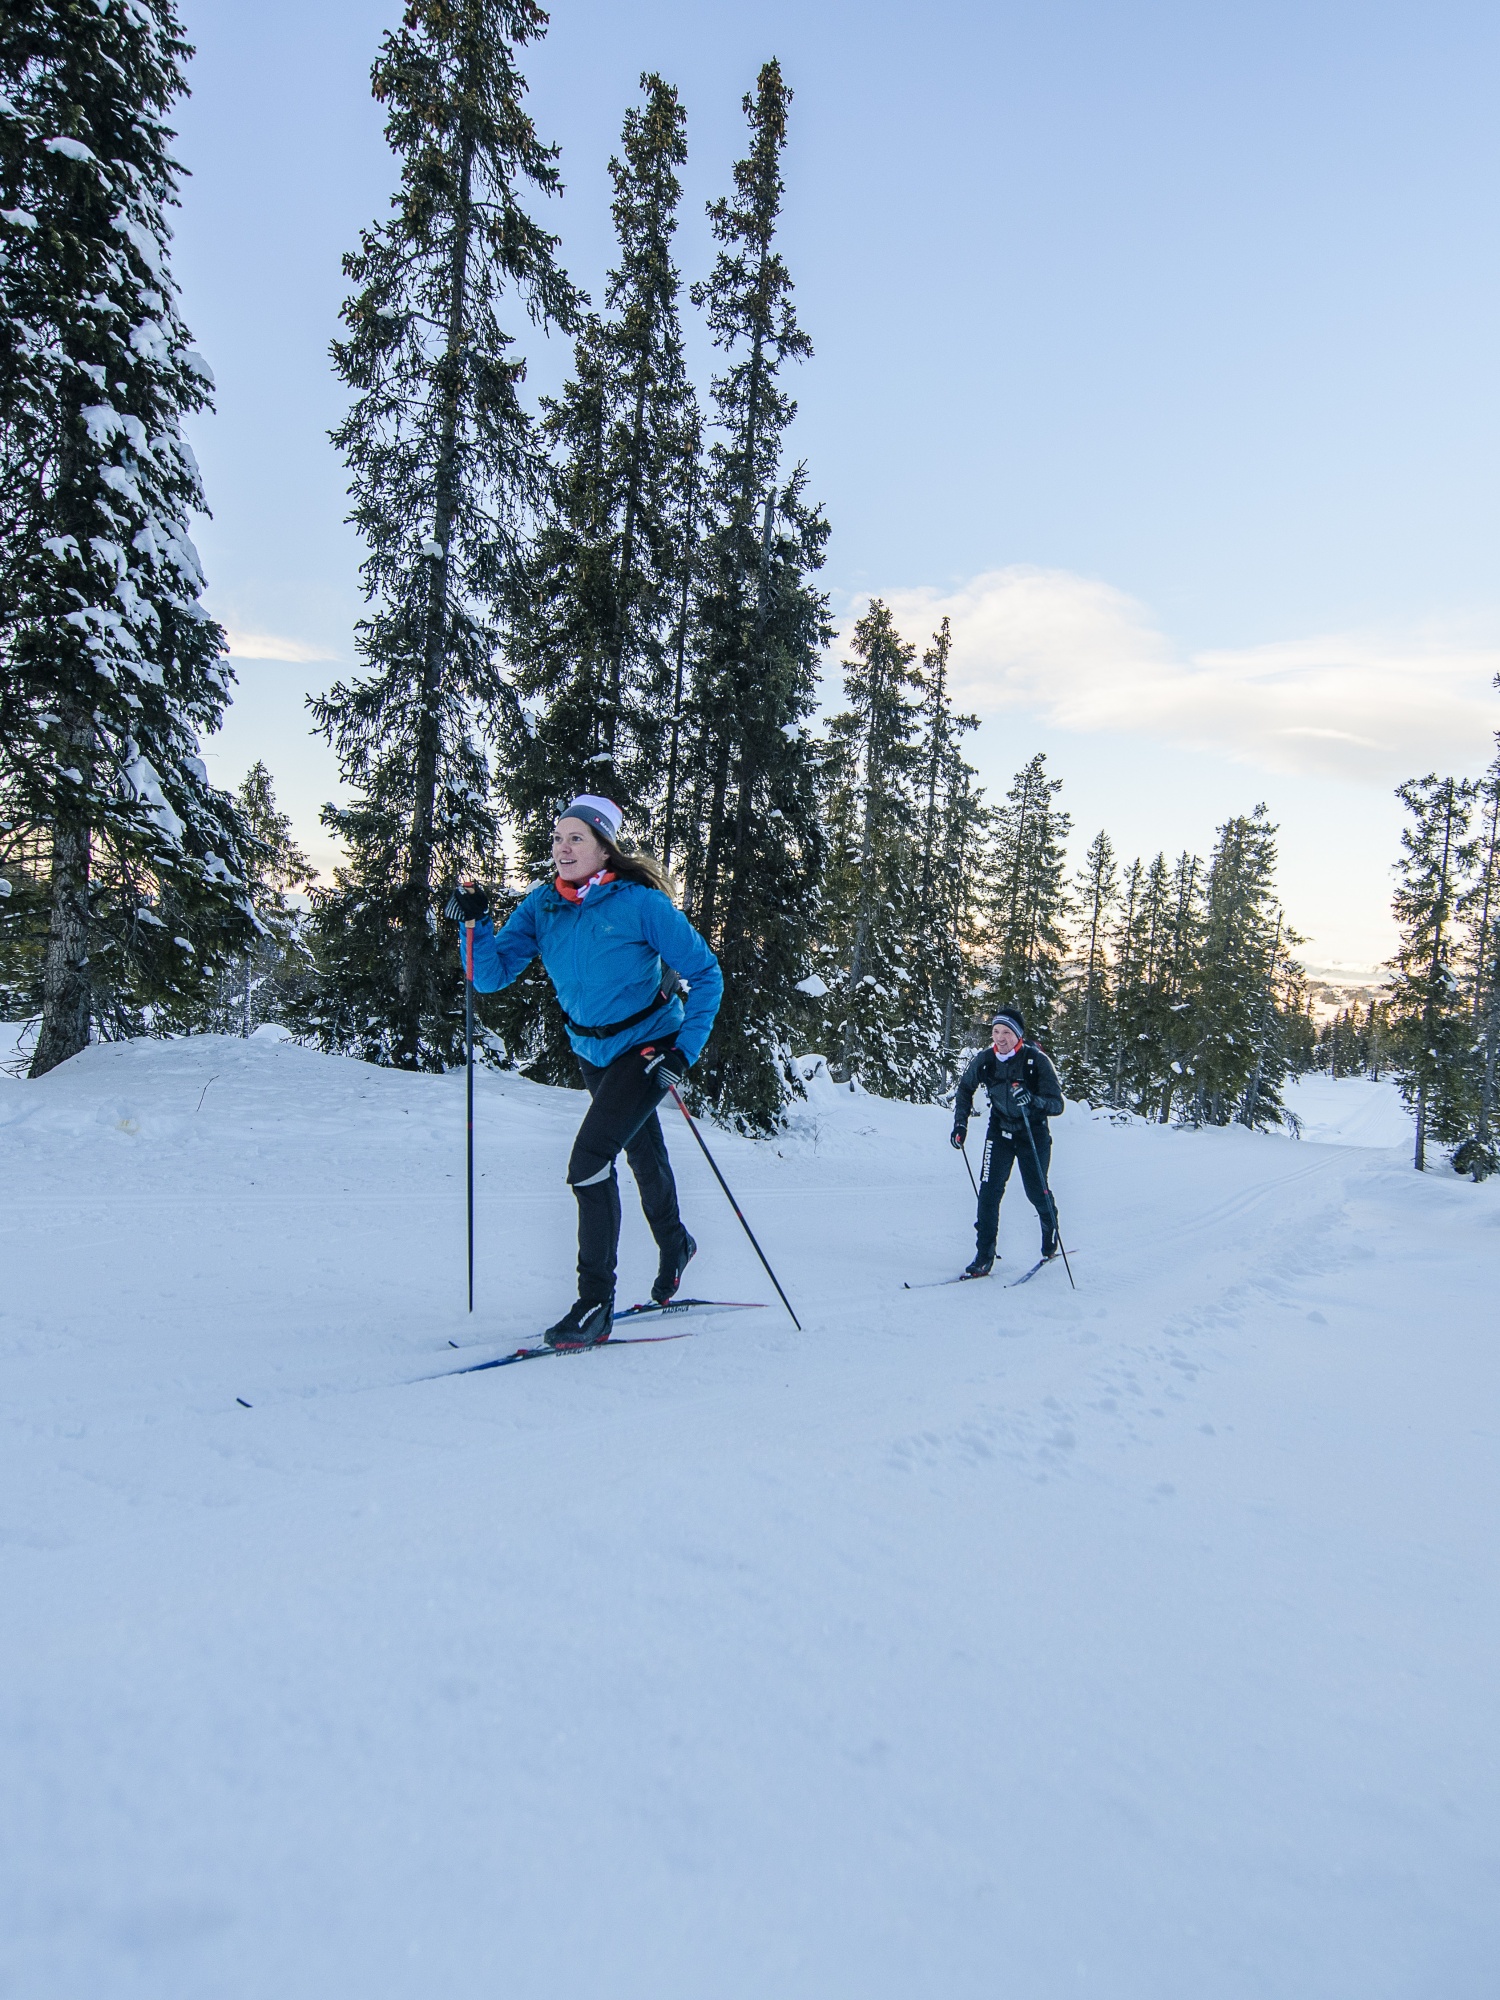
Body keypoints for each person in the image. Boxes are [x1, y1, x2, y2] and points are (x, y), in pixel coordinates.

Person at [445, 795, 723, 1349]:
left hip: (648, 1046)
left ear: (604, 848)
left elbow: (706, 974)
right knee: (642, 1150)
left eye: (576, 838)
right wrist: (475, 922)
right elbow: (490, 977)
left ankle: (594, 1301)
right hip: (592, 1052)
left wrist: (682, 1052)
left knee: (588, 1164)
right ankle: (676, 1244)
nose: (563, 848)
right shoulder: (543, 906)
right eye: (556, 838)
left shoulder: (642, 905)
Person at [950, 1008, 1065, 1276]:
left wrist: (1033, 1100)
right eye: (996, 1031)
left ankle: (1050, 1230)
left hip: (1032, 1133)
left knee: (1036, 1191)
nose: (1000, 1038)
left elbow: (1057, 1105)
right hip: (999, 1130)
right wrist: (960, 1124)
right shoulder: (986, 1060)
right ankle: (983, 1256)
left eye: (1007, 1033)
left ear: (1018, 1036)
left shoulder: (1036, 1061)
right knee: (989, 1193)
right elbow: (965, 1089)